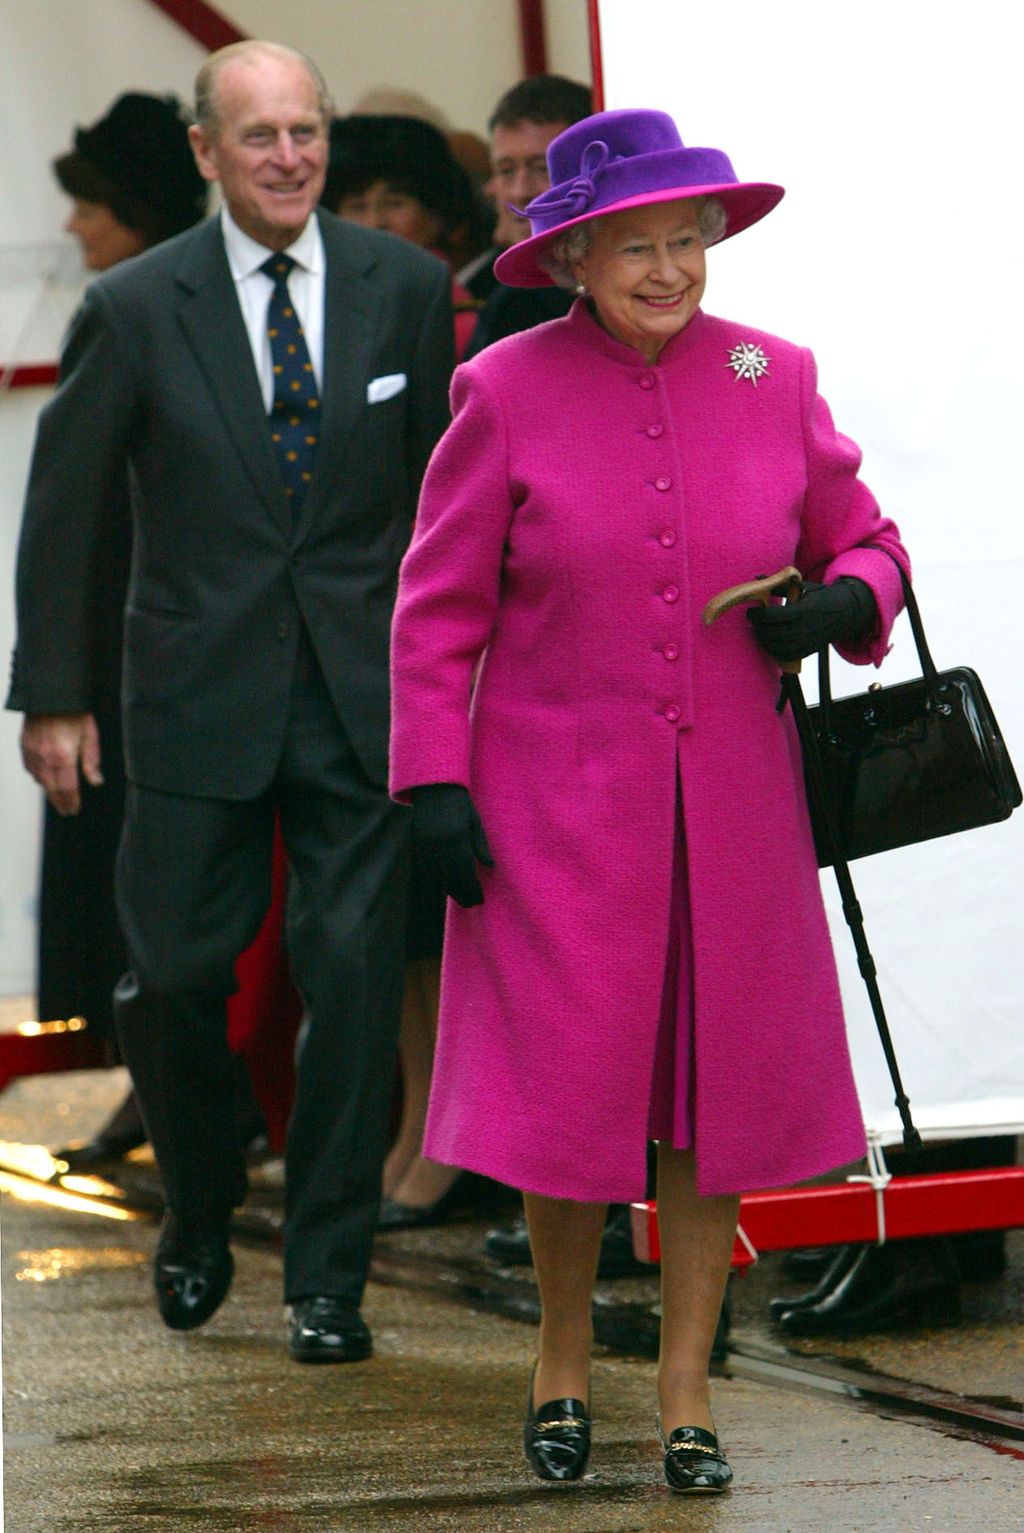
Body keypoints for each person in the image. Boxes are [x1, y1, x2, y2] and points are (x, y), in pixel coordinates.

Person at [389, 108, 909, 1492]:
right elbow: (435, 612)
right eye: (641, 247)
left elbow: (864, 533)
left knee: (711, 1097)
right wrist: (432, 777)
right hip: (554, 811)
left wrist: (847, 596)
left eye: (690, 241)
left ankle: (688, 1391)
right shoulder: (502, 390)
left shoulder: (772, 370)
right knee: (568, 1095)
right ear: (574, 259)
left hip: (734, 809)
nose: (674, 269)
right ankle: (563, 1359)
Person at [9, 40, 453, 1361]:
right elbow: (67, 510)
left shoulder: (406, 288)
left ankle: (328, 1276)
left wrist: (453, 682)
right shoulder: (140, 303)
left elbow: (443, 496)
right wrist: (54, 696)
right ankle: (201, 1197)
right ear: (207, 152)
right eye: (258, 136)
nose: (288, 157)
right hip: (192, 689)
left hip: (362, 693)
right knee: (173, 983)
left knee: (353, 985)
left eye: (305, 132)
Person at [38, 91, 218, 1169]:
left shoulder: (158, 310)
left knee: (148, 878)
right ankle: (146, 1077)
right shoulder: (129, 304)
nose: (73, 224)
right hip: (110, 633)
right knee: (110, 866)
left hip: (160, 637)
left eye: (91, 203)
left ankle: (181, 1087)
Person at [323, 113, 480, 359]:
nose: (375, 222)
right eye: (357, 206)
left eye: (395, 203)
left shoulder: (460, 321)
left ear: (437, 215)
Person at [464, 74, 592, 358]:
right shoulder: (494, 295)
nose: (521, 192)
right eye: (507, 171)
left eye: (543, 169)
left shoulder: (630, 292)